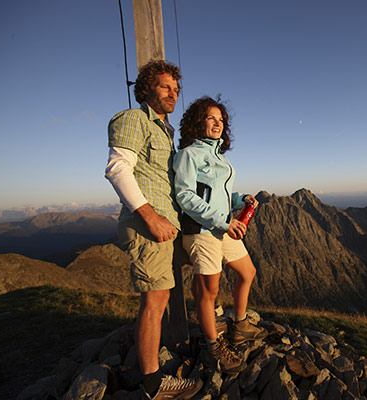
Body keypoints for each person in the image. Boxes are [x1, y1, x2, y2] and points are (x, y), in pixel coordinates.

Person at [105, 60, 201, 400]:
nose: (173, 94)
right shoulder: (134, 119)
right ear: (145, 88)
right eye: (165, 87)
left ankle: (212, 322)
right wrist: (150, 216)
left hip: (167, 225)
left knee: (202, 267)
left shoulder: (165, 132)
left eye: (176, 89)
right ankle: (153, 383)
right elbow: (118, 170)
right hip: (149, 225)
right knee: (155, 300)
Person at [174, 96, 267, 374]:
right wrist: (223, 222)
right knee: (209, 291)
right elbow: (185, 196)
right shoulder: (189, 154)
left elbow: (218, 194)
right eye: (211, 118)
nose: (218, 123)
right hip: (202, 231)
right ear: (197, 122)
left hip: (221, 225)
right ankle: (212, 349)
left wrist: (240, 199)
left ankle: (239, 325)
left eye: (221, 119)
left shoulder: (219, 157)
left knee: (247, 272)